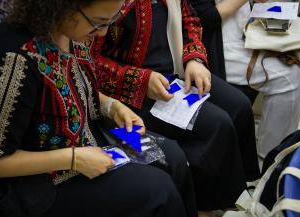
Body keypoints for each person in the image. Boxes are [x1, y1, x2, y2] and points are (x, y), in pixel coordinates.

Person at [0, 1, 198, 217]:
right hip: (43, 179)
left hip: (90, 140)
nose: (102, 34)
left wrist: (110, 106)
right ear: (62, 7)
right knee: (159, 192)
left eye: (109, 22)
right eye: (98, 23)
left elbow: (70, 85)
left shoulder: (73, 34)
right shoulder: (16, 58)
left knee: (173, 159)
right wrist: (74, 158)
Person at [91, 0, 261, 213]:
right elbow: (91, 62)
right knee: (217, 124)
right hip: (133, 92)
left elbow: (190, 20)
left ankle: (241, 190)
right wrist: (141, 79)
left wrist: (195, 60)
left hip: (177, 71)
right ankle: (210, 203)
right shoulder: (105, 8)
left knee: (239, 107)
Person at [221, 3, 300, 158]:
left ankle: (276, 149)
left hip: (244, 31)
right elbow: (204, 16)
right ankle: (271, 156)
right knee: (290, 79)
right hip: (216, 46)